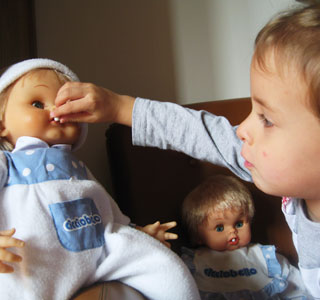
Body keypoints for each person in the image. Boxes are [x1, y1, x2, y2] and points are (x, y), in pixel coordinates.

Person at [51, 3, 320, 298]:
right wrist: (119, 107)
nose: (242, 130)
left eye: (266, 119)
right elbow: (198, 131)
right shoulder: (276, 165)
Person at [0, 58, 201, 300]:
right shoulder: (8, 164)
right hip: (36, 260)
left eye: (68, 106)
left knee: (167, 267)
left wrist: (138, 233)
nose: (56, 112)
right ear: (2, 124)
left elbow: (106, 209)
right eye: (37, 103)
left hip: (99, 252)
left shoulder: (78, 168)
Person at [181, 174, 307, 299]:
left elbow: (296, 288)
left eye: (239, 224)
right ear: (198, 235)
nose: (232, 232)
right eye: (219, 228)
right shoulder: (194, 262)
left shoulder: (265, 258)